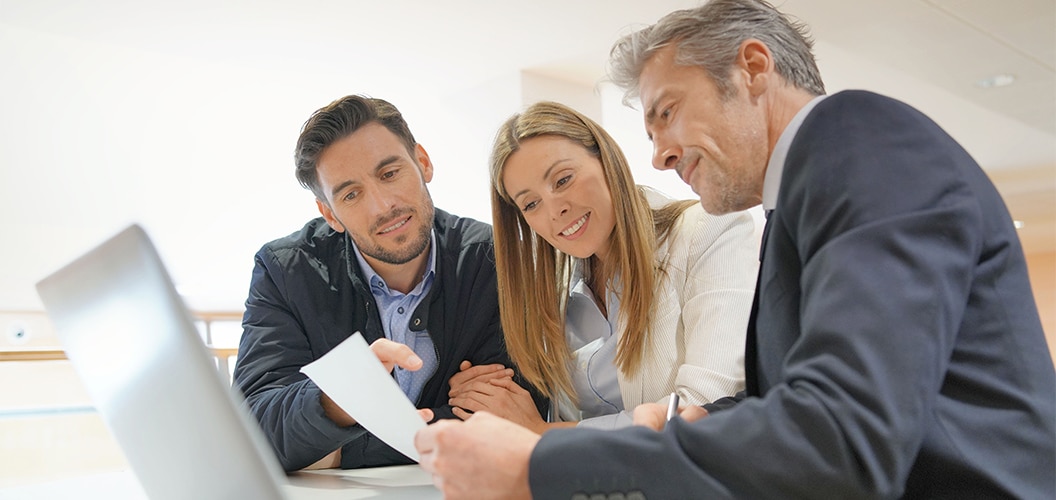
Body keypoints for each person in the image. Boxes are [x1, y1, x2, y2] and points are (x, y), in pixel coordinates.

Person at [413, 0, 1056, 498]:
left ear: (752, 68)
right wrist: (698, 426)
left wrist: (542, 461)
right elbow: (798, 404)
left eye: (667, 112)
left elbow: (844, 435)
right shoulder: (795, 203)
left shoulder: (860, 138)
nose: (659, 154)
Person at [233, 94, 544, 472]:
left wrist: (333, 452)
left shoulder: (492, 258)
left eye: (389, 173)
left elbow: (513, 413)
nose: (382, 206)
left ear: (423, 163)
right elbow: (252, 430)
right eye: (351, 194)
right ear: (329, 213)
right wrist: (339, 398)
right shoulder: (285, 271)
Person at [446, 101, 760, 433]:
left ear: (605, 159)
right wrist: (485, 391)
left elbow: (703, 408)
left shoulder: (708, 231)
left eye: (563, 180)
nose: (555, 211)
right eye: (531, 203)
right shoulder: (555, 287)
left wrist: (541, 432)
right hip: (590, 483)